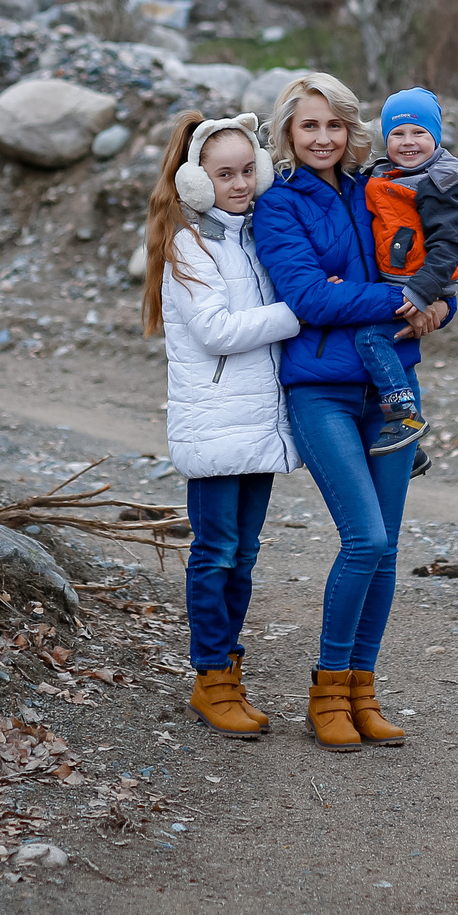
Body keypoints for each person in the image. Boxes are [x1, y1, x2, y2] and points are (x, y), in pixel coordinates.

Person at [251, 71, 451, 753]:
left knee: (388, 550)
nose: (323, 137)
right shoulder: (279, 205)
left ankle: (364, 690)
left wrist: (441, 303)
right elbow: (308, 298)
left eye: (334, 124)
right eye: (309, 125)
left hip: (392, 388)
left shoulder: (381, 186)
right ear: (287, 132)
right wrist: (396, 299)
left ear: (350, 130)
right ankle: (326, 688)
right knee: (364, 537)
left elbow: (434, 269)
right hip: (322, 392)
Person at [145, 109, 299, 739]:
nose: (240, 184)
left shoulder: (255, 234)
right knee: (215, 555)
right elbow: (215, 332)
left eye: (247, 171)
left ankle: (229, 669)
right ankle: (210, 677)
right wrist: (300, 313)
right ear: (198, 183)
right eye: (225, 174)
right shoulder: (191, 242)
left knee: (245, 556)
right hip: (214, 427)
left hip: (257, 424)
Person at [352, 86, 458, 456]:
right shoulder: (389, 175)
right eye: (397, 134)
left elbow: (448, 248)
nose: (408, 142)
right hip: (404, 282)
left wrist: (424, 293)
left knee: (371, 340)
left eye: (419, 133)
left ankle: (404, 416)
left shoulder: (440, 184)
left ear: (436, 137)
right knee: (379, 353)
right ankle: (410, 451)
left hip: (418, 286)